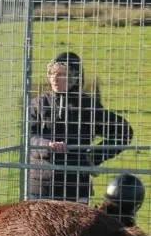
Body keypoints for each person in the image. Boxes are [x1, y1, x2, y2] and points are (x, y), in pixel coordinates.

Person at [29, 51, 133, 202]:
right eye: (51, 73)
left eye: (61, 74)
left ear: (75, 77)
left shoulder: (88, 106)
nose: (54, 79)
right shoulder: (39, 103)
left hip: (76, 187)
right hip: (40, 187)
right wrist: (46, 145)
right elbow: (29, 136)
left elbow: (123, 131)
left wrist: (92, 157)